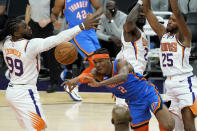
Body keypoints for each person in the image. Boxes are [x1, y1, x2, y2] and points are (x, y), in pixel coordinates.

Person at [0, 15, 99, 131]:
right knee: (40, 128)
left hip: (11, 93)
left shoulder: (5, 42)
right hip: (25, 94)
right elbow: (58, 39)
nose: (29, 28)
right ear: (16, 33)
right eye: (25, 27)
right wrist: (81, 26)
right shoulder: (29, 46)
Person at [62, 48, 175, 130]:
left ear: (108, 60)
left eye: (100, 61)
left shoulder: (121, 63)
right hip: (134, 102)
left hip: (147, 93)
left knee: (168, 125)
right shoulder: (97, 72)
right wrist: (73, 80)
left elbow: (123, 76)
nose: (97, 65)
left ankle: (164, 108)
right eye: (95, 62)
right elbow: (85, 76)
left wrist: (99, 84)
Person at [143, 0, 197, 130]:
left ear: (181, 23)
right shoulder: (164, 35)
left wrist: (175, 10)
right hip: (169, 85)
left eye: (173, 20)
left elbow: (177, 12)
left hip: (185, 83)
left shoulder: (184, 36)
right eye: (169, 19)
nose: (169, 21)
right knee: (175, 127)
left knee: (188, 120)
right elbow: (147, 11)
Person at [52, 0, 103, 101]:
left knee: (102, 62)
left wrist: (92, 16)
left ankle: (73, 83)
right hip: (78, 33)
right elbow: (54, 14)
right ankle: (73, 85)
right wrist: (55, 21)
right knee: (96, 62)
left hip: (91, 30)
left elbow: (100, 8)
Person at [115, 0, 148, 108]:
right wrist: (139, 2)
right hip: (130, 78)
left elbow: (120, 56)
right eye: (139, 13)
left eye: (143, 13)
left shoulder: (140, 33)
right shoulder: (131, 31)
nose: (142, 15)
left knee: (133, 117)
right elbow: (129, 23)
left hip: (134, 77)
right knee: (125, 114)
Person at [25, 0, 62, 93]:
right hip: (33, 25)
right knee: (30, 55)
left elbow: (59, 11)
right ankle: (28, 82)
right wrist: (26, 24)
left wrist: (48, 20)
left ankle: (54, 83)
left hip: (47, 26)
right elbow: (28, 9)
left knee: (50, 56)